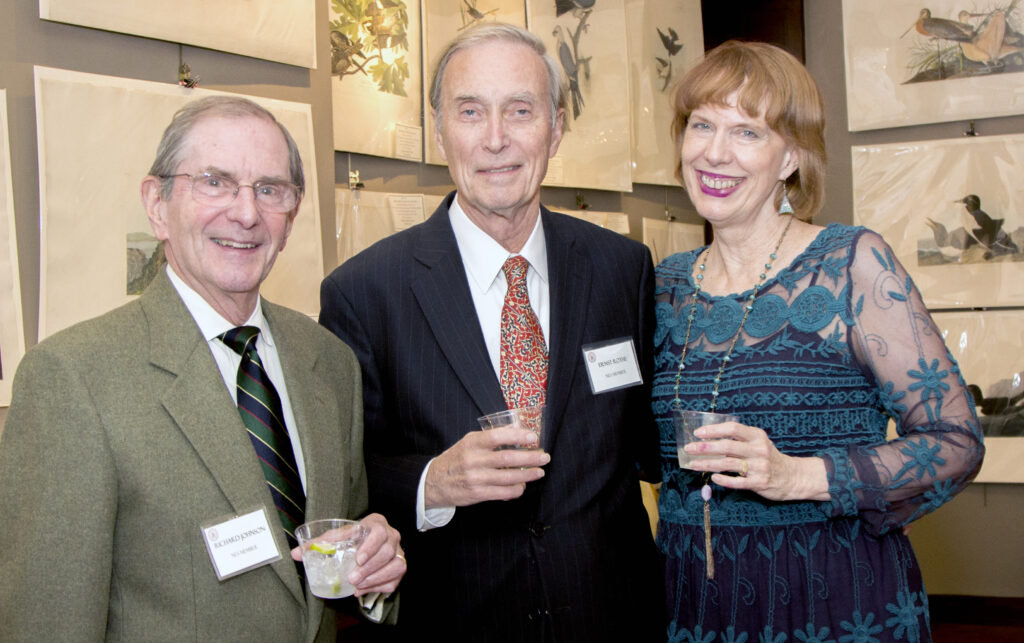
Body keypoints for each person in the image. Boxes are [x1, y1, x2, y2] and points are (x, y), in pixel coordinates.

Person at [0, 96, 405, 641]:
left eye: (270, 189)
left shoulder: (328, 361)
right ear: (157, 204)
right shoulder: (73, 380)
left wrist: (374, 572)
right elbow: (47, 623)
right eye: (215, 182)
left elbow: (339, 563)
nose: (246, 213)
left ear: (290, 218)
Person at [319, 22, 663, 642]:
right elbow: (343, 478)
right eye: (470, 111)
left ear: (556, 128)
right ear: (439, 129)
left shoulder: (623, 269)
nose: (496, 139)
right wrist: (432, 483)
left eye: (521, 110)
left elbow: (647, 443)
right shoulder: (364, 292)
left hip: (611, 619)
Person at [653, 40, 985, 643]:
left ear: (791, 157)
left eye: (747, 132)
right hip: (694, 600)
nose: (715, 152)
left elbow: (955, 441)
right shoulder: (665, 285)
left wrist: (800, 476)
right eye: (702, 125)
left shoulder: (851, 264)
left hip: (832, 594)